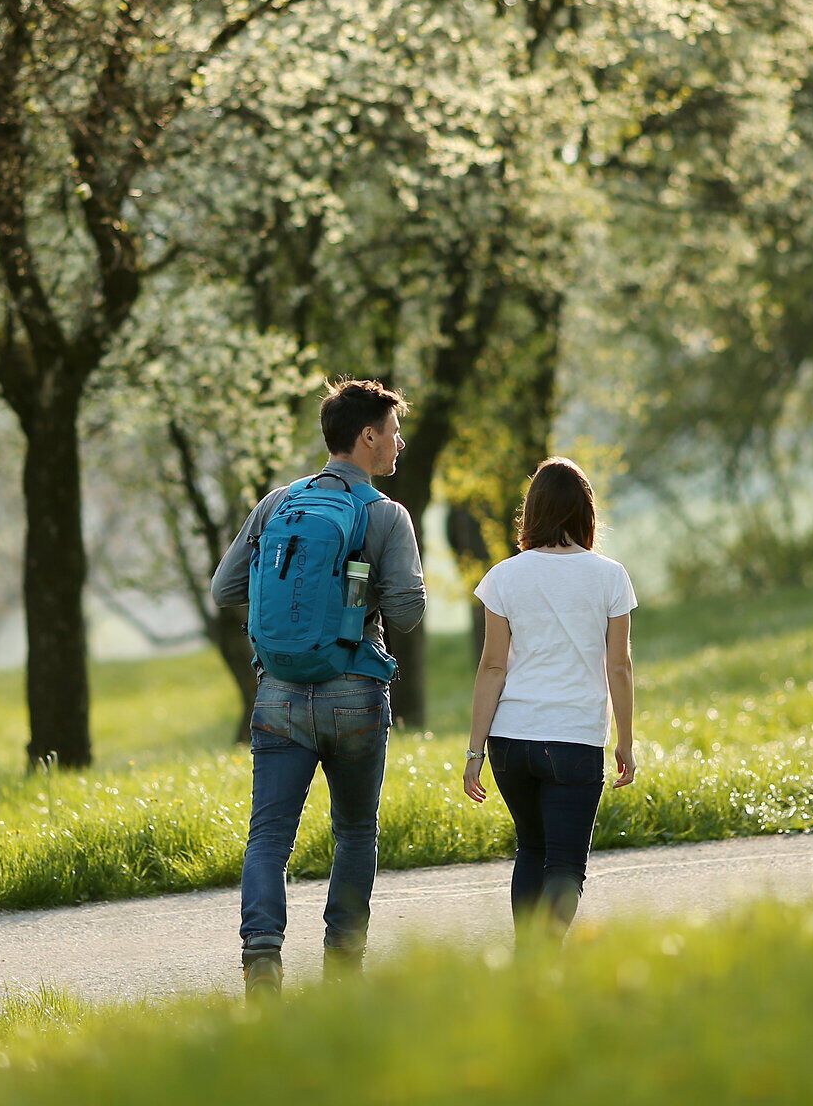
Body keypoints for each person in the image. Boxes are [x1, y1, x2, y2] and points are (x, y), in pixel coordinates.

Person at [211, 378, 426, 997]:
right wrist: (358, 601)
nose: (398, 442)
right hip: (355, 691)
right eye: (391, 431)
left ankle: (262, 960)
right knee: (354, 831)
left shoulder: (276, 505)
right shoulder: (386, 516)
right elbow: (408, 613)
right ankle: (342, 970)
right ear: (367, 436)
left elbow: (226, 589)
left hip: (277, 694)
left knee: (268, 837)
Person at [461, 456, 636, 946]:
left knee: (531, 849)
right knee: (564, 863)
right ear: (586, 512)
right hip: (574, 740)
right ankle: (541, 956)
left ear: (532, 511)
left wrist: (475, 751)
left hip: (510, 740)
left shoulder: (504, 576)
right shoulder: (610, 577)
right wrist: (625, 740)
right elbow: (618, 666)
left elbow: (492, 667)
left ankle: (527, 961)